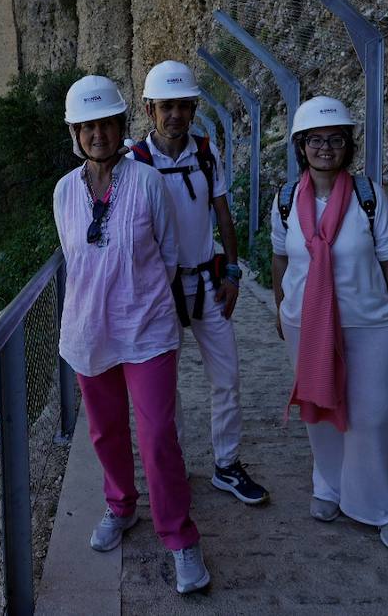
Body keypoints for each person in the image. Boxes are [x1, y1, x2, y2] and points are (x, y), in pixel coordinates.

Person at [53, 74, 211, 594]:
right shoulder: (63, 193)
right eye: (88, 125)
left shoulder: (148, 182)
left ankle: (179, 536)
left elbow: (167, 255)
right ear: (75, 133)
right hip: (88, 331)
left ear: (123, 126)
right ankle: (121, 506)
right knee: (104, 432)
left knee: (158, 436)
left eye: (107, 123)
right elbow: (77, 259)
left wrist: (135, 295)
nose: (98, 133)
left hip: (146, 329)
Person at [270, 96, 388, 553]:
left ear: (347, 145)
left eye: (335, 139)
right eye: (315, 140)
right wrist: (282, 308)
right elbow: (281, 258)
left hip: (370, 323)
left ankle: (382, 508)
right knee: (319, 408)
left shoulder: (370, 196)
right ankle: (329, 487)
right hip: (307, 322)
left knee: (373, 416)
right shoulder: (285, 201)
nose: (325, 147)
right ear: (301, 146)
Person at [128, 60, 268, 505]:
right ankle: (176, 468)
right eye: (166, 107)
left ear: (193, 109)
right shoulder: (135, 164)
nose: (175, 116)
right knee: (166, 390)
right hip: (160, 292)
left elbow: (223, 213)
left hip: (207, 282)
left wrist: (232, 271)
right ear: (150, 110)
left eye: (183, 107)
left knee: (226, 376)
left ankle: (226, 465)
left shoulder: (205, 155)